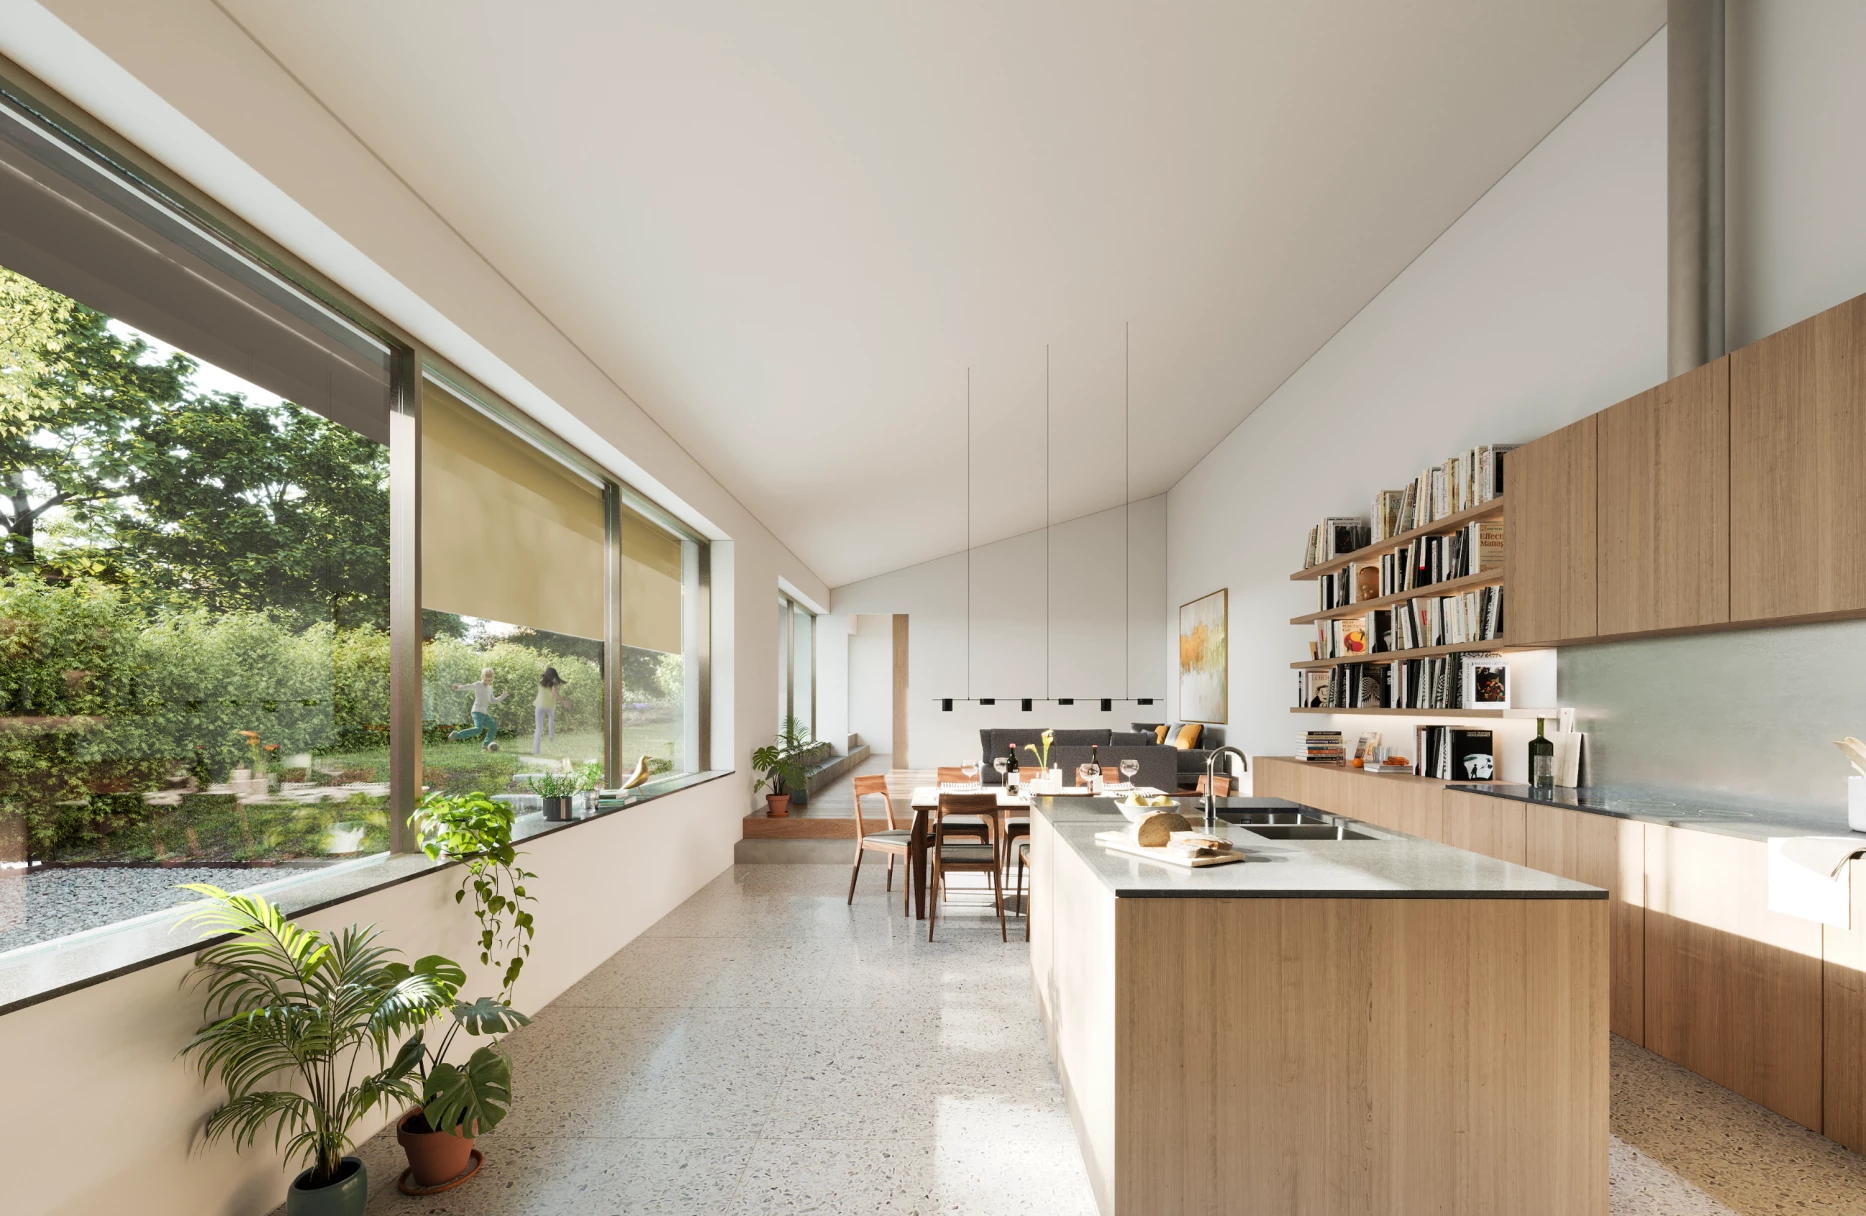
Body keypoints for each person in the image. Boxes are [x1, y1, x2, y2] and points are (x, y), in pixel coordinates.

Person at [449, 667, 509, 750]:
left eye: (489, 680)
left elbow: (493, 701)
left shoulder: (490, 689)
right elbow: (468, 686)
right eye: (485, 680)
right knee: (478, 729)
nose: (487, 682)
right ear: (482, 677)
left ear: (492, 679)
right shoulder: (478, 685)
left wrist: (503, 696)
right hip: (476, 711)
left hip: (484, 713)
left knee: (493, 727)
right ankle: (457, 735)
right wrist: (458, 687)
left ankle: (486, 745)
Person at [533, 667, 571, 754]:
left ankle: (536, 751)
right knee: (551, 719)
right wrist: (563, 701)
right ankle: (551, 736)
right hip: (550, 705)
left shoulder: (541, 682)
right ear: (554, 675)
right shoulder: (555, 683)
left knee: (538, 729)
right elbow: (555, 692)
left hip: (539, 705)